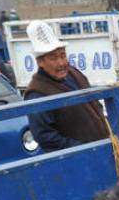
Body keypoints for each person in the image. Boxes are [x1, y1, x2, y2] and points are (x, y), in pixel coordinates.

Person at [23, 20, 109, 151]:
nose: (61, 63)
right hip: (80, 159)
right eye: (53, 58)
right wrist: (80, 149)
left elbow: (95, 104)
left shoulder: (74, 73)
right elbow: (45, 136)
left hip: (102, 147)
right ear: (40, 61)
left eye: (63, 56)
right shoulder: (37, 93)